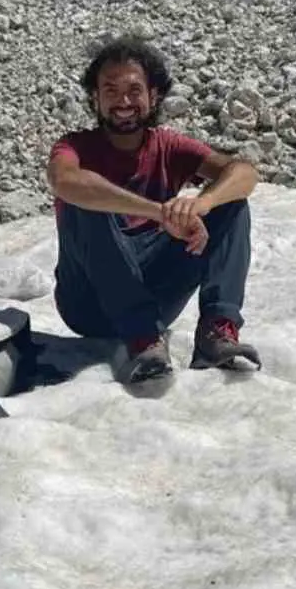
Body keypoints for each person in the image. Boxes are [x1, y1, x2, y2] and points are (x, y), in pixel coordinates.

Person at [47, 35, 261, 384]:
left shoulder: (169, 146)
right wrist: (161, 213)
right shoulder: (75, 147)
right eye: (111, 90)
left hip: (155, 289)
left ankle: (217, 332)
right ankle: (142, 336)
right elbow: (64, 181)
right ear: (95, 97)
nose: (123, 102)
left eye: (134, 90)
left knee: (232, 203)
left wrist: (201, 204)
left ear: (153, 95)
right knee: (86, 199)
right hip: (89, 302)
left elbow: (244, 173)